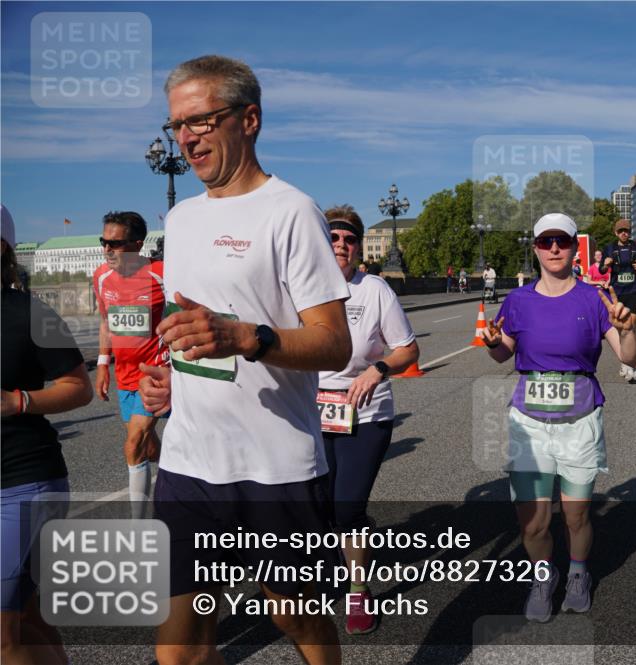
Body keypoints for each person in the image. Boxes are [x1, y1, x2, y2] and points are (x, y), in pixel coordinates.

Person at [140, 55, 352, 665]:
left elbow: (333, 343)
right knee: (177, 646)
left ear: (249, 119)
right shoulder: (179, 219)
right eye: (176, 125)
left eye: (202, 120)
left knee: (298, 619)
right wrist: (170, 382)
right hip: (188, 462)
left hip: (274, 466)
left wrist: (246, 338)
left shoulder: (291, 211)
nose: (186, 138)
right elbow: (195, 333)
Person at [481, 213, 636, 623]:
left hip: (579, 421)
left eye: (563, 241)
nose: (554, 249)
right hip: (529, 426)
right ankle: (542, 578)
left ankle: (577, 573)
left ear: (574, 247)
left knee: (576, 515)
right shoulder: (518, 300)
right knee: (533, 524)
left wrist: (627, 330)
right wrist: (494, 343)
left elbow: (630, 358)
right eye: (545, 241)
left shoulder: (593, 298)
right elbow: (503, 351)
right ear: (535, 248)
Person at [318, 206, 419, 635]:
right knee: (320, 507)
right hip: (311, 415)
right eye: (334, 237)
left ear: (359, 248)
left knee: (346, 507)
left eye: (349, 239)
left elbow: (408, 350)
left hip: (366, 414)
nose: (341, 245)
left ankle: (358, 590)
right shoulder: (296, 289)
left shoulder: (374, 290)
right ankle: (333, 563)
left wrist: (378, 369)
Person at [2, 206, 93, 665]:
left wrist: (18, 401)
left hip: (23, 481)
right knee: (30, 617)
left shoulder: (29, 312)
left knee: (3, 632)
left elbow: (80, 387)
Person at [93, 211, 169, 519]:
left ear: (137, 245)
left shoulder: (162, 272)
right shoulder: (101, 276)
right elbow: (105, 322)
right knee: (148, 448)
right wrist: (102, 365)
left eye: (115, 243)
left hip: (156, 372)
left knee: (133, 442)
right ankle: (177, 481)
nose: (107, 250)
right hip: (125, 374)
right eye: (104, 242)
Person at [599, 219, 636, 382]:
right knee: (619, 328)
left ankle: (635, 363)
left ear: (630, 232)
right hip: (616, 292)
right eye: (620, 231)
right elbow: (601, 269)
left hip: (633, 290)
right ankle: (625, 360)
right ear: (615, 233)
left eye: (626, 230)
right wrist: (605, 265)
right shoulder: (609, 248)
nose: (624, 233)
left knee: (631, 327)